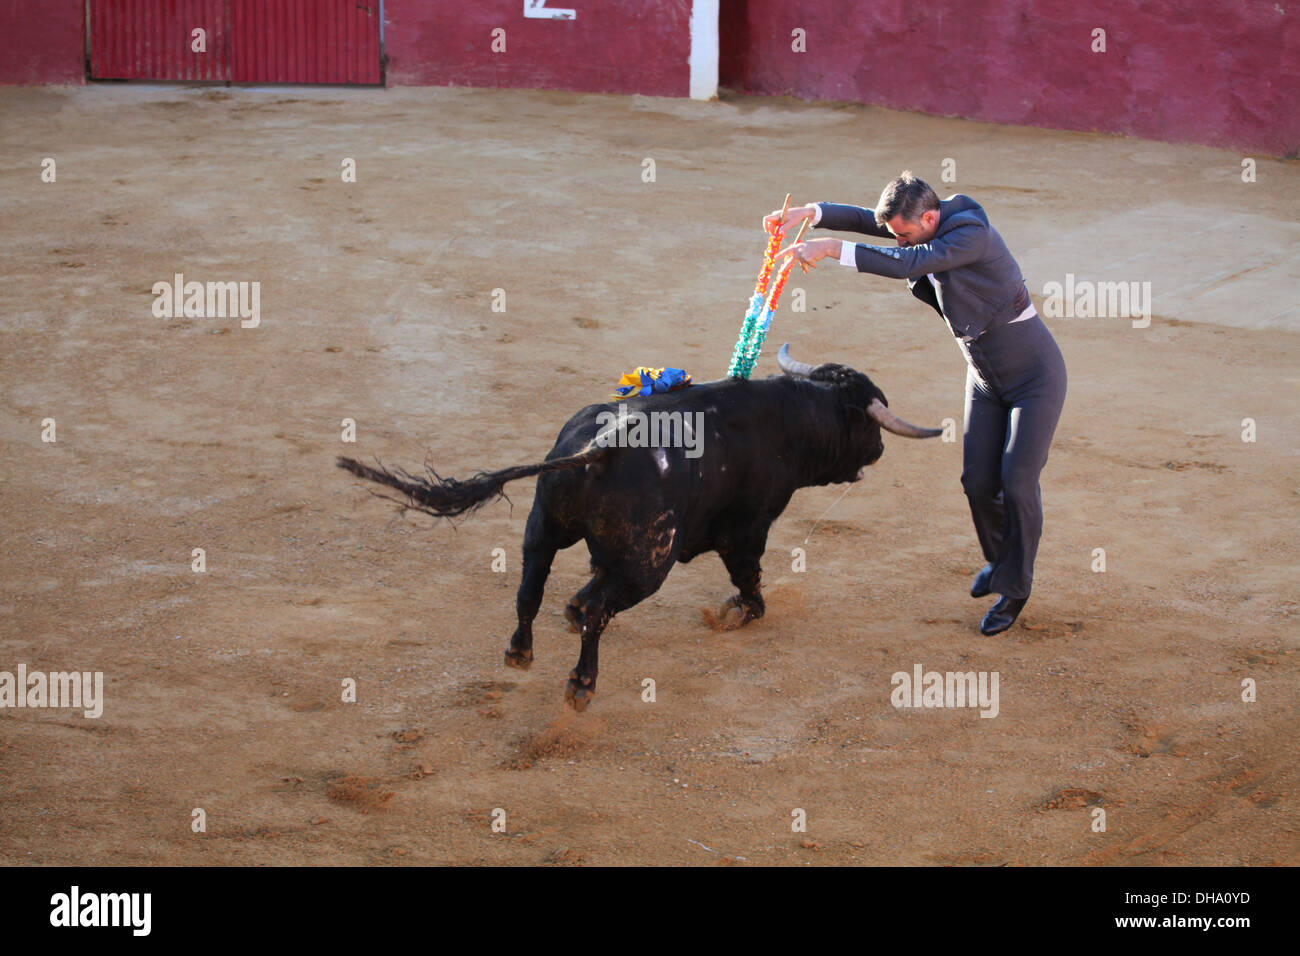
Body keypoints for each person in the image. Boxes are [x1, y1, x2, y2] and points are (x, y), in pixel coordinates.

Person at [766, 172, 1067, 636]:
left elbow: (907, 264)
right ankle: (999, 561)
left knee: (1018, 480)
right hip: (986, 377)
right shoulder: (924, 221)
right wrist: (813, 213)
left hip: (1035, 378)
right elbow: (877, 223)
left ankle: (1014, 587)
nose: (900, 242)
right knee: (977, 481)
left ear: (929, 217)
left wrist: (829, 249)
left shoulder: (971, 234)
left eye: (906, 234)